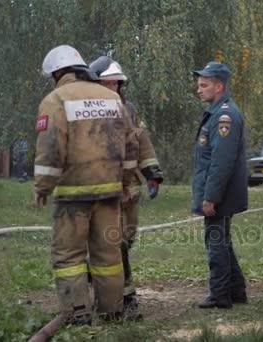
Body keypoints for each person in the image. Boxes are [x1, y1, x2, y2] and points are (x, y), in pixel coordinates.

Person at [34, 45, 138, 325]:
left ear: (57, 73)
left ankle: (77, 314)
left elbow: (50, 149)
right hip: (110, 192)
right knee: (108, 254)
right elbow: (130, 146)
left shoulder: (55, 100)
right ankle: (112, 312)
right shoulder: (112, 98)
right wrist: (126, 183)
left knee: (69, 256)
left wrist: (43, 186)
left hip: (72, 196)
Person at [89, 56, 164, 319]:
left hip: (130, 191)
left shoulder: (129, 109)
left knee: (127, 239)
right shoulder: (90, 111)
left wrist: (152, 174)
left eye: (116, 83)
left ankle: (101, 281)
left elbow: (142, 142)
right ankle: (124, 299)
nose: (113, 88)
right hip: (106, 191)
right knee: (115, 243)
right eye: (107, 83)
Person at [191, 62, 248, 309]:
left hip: (219, 195)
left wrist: (211, 197)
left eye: (204, 85)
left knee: (215, 242)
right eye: (199, 85)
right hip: (219, 192)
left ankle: (220, 295)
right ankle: (236, 291)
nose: (199, 90)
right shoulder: (217, 113)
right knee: (222, 240)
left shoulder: (225, 116)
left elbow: (221, 162)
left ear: (219, 86)